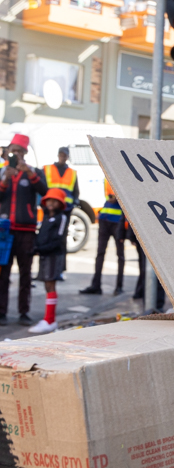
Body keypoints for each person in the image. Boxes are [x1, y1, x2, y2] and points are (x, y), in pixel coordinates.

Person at [0, 134, 47, 325]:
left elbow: (45, 192)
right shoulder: (2, 172)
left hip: (26, 231)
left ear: (25, 153)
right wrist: (5, 180)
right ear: (8, 151)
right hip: (4, 231)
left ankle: (24, 312)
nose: (16, 154)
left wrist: (29, 173)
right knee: (3, 273)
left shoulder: (34, 172)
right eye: (14, 151)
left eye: (20, 151)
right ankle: (1, 312)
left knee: (25, 274)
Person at [30, 188, 69, 334]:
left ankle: (50, 320)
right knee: (47, 285)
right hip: (45, 254)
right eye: (49, 200)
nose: (51, 203)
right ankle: (48, 319)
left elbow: (58, 240)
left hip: (54, 255)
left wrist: (41, 249)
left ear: (60, 203)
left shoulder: (61, 218)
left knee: (51, 284)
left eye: (55, 201)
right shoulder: (46, 217)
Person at [80, 180, 125, 296]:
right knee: (100, 253)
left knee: (120, 255)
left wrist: (117, 199)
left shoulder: (123, 176)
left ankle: (119, 286)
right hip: (104, 220)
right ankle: (96, 285)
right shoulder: (107, 178)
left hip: (118, 222)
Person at [43, 146, 79, 211]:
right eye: (61, 155)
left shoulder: (72, 172)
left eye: (64, 156)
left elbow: (76, 190)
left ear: (67, 157)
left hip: (67, 207)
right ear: (58, 155)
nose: (62, 158)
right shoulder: (47, 169)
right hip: (51, 207)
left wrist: (75, 201)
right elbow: (41, 187)